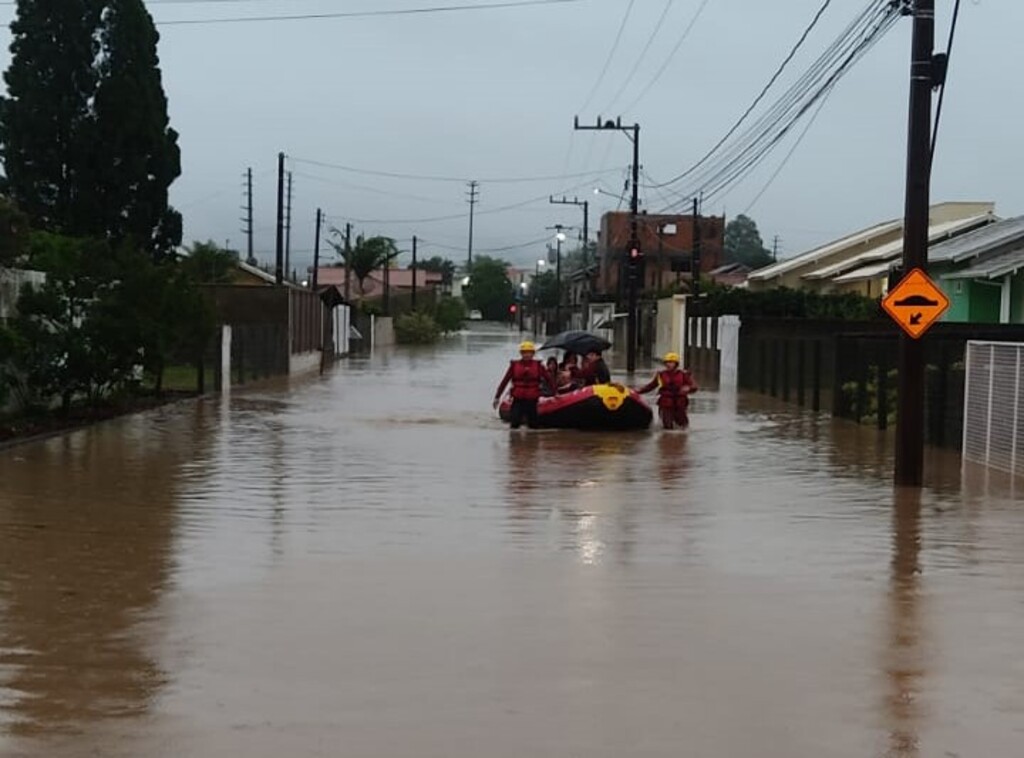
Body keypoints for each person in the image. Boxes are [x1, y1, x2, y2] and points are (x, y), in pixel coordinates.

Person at [493, 341, 555, 429]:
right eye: (524, 352)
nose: (527, 355)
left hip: (532, 400)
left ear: (533, 353)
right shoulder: (514, 366)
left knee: (533, 425)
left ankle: (532, 442)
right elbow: (505, 381)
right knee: (514, 424)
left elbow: (549, 380)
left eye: (529, 352)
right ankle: (515, 441)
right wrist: (497, 397)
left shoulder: (538, 366)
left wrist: (555, 393)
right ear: (521, 353)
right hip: (518, 399)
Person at [635, 352, 698, 429]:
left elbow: (694, 386)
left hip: (680, 403)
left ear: (676, 364)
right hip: (666, 403)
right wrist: (637, 391)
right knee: (667, 425)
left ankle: (681, 439)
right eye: (667, 362)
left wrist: (689, 388)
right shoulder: (661, 375)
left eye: (671, 362)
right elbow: (651, 386)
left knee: (683, 425)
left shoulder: (684, 374)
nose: (669, 364)